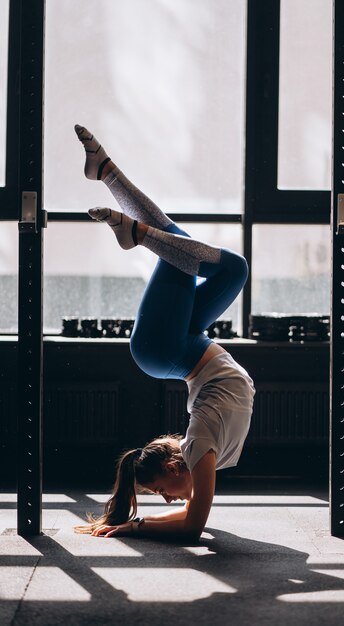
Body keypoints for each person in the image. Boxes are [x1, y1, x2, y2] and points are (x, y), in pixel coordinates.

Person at [73, 125, 255, 541]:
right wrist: (134, 523)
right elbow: (195, 523)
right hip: (184, 345)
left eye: (159, 491)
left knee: (204, 260)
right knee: (210, 260)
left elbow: (193, 524)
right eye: (160, 495)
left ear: (174, 467)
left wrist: (134, 525)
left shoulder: (198, 446)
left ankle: (135, 232)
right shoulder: (203, 454)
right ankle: (107, 174)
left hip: (168, 351)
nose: (168, 499)